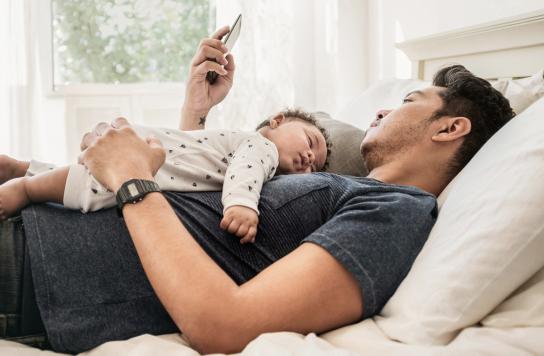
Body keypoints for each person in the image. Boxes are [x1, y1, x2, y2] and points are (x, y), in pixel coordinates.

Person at [2, 25, 514, 354]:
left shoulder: (398, 212)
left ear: (449, 129)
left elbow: (224, 324)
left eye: (408, 99)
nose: (380, 111)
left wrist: (133, 180)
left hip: (33, 270)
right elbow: (202, 193)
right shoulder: (336, 185)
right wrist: (196, 109)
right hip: (37, 225)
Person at [0, 108, 330, 244]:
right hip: (153, 163)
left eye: (316, 165)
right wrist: (242, 205)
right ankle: (27, 188)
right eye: (310, 141)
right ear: (278, 120)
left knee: (86, 174)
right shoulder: (262, 148)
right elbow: (247, 171)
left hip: (153, 149)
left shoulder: (242, 145)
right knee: (96, 188)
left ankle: (23, 167)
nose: (310, 159)